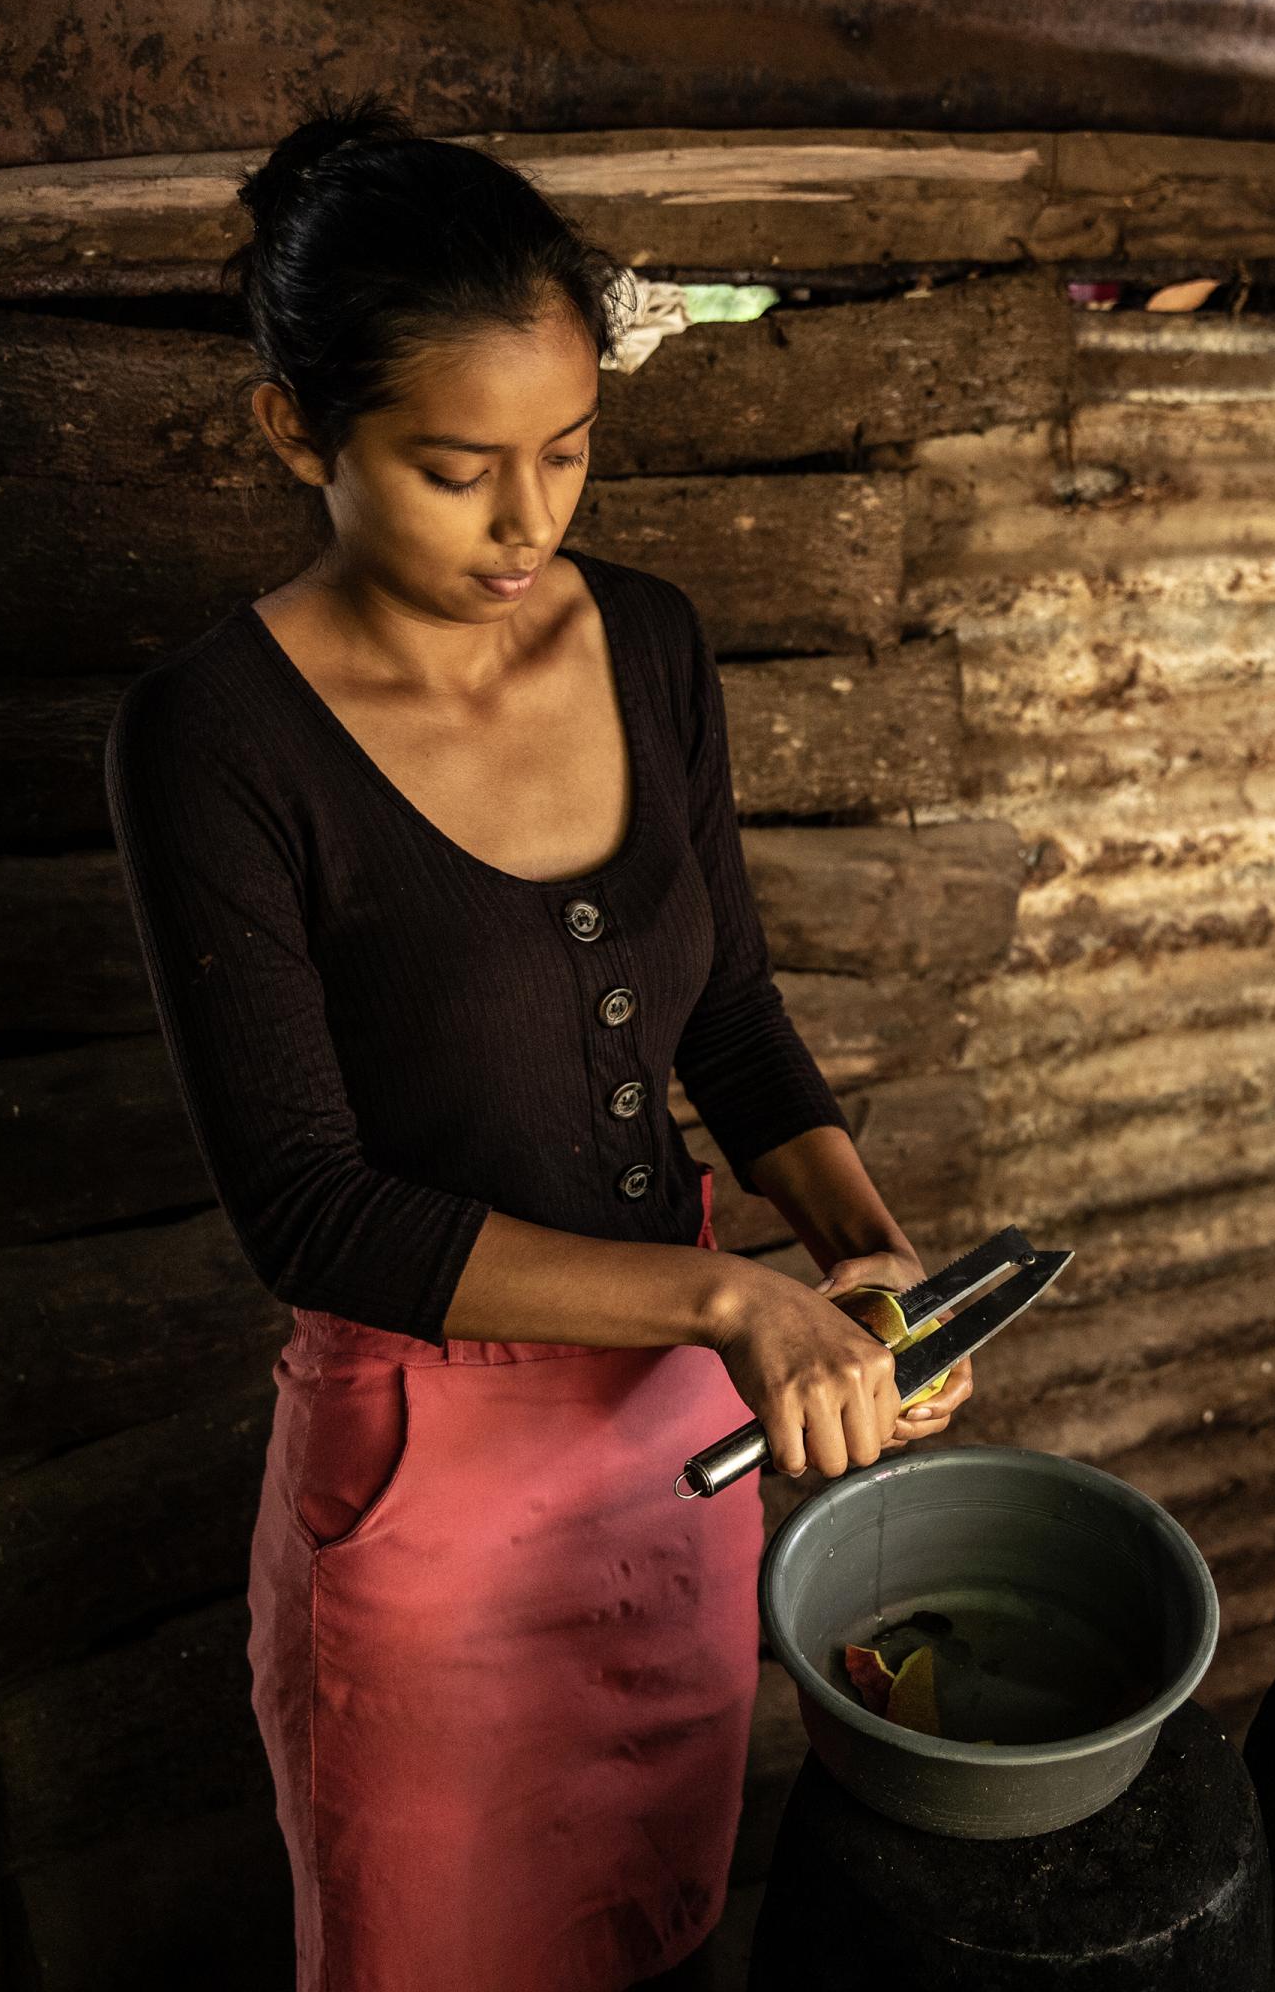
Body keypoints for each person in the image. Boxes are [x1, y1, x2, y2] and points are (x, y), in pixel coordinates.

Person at [102, 99, 971, 1992]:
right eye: (454, 468)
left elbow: (728, 1016)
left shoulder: (648, 642)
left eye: (569, 453)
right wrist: (732, 1311)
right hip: (424, 1499)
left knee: (655, 1927)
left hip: (678, 1470)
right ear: (295, 434)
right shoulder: (215, 740)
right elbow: (315, 1213)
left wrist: (861, 1264)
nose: (528, 522)